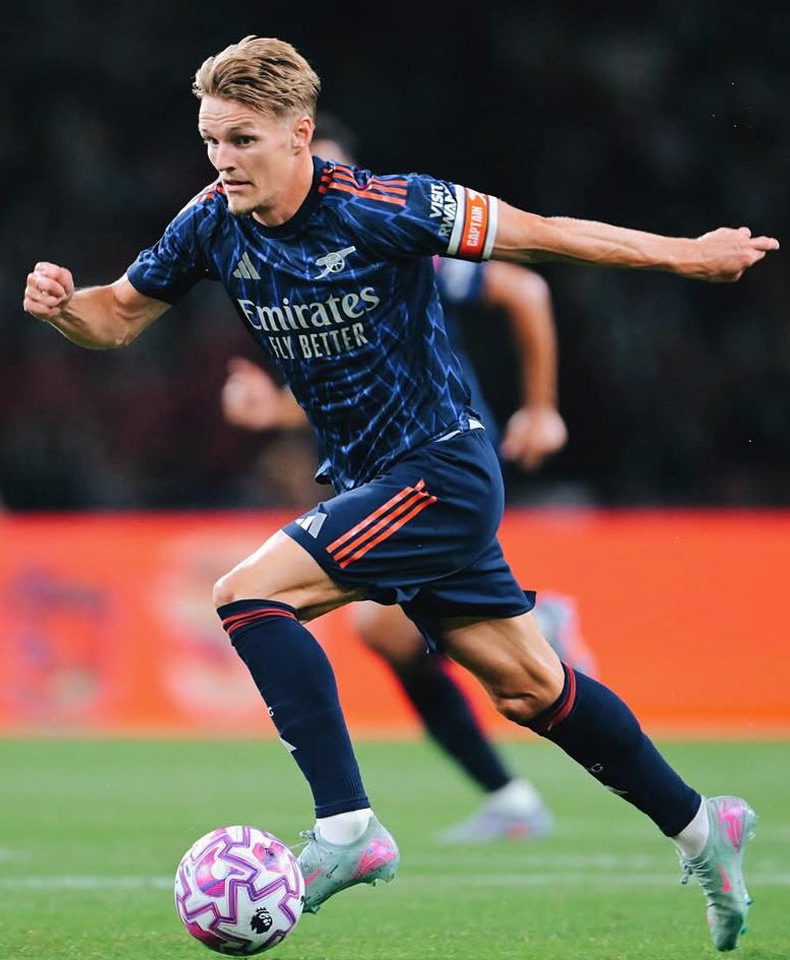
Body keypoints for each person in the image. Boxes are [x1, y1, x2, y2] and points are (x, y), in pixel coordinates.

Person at [23, 36, 777, 950]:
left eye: (243, 139)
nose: (223, 159)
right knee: (530, 689)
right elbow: (115, 317)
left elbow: (543, 235)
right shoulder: (211, 221)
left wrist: (688, 256)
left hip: (440, 470)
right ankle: (702, 828)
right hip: (377, 480)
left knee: (249, 595)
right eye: (212, 139)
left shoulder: (385, 207)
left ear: (300, 134)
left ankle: (347, 829)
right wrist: (65, 306)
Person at [219, 115, 589, 843]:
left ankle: (531, 644)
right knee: (392, 637)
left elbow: (526, 290)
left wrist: (543, 408)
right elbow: (352, 388)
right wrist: (274, 410)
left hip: (443, 456)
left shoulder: (387, 234)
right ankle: (513, 793)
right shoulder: (284, 263)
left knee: (374, 623)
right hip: (385, 469)